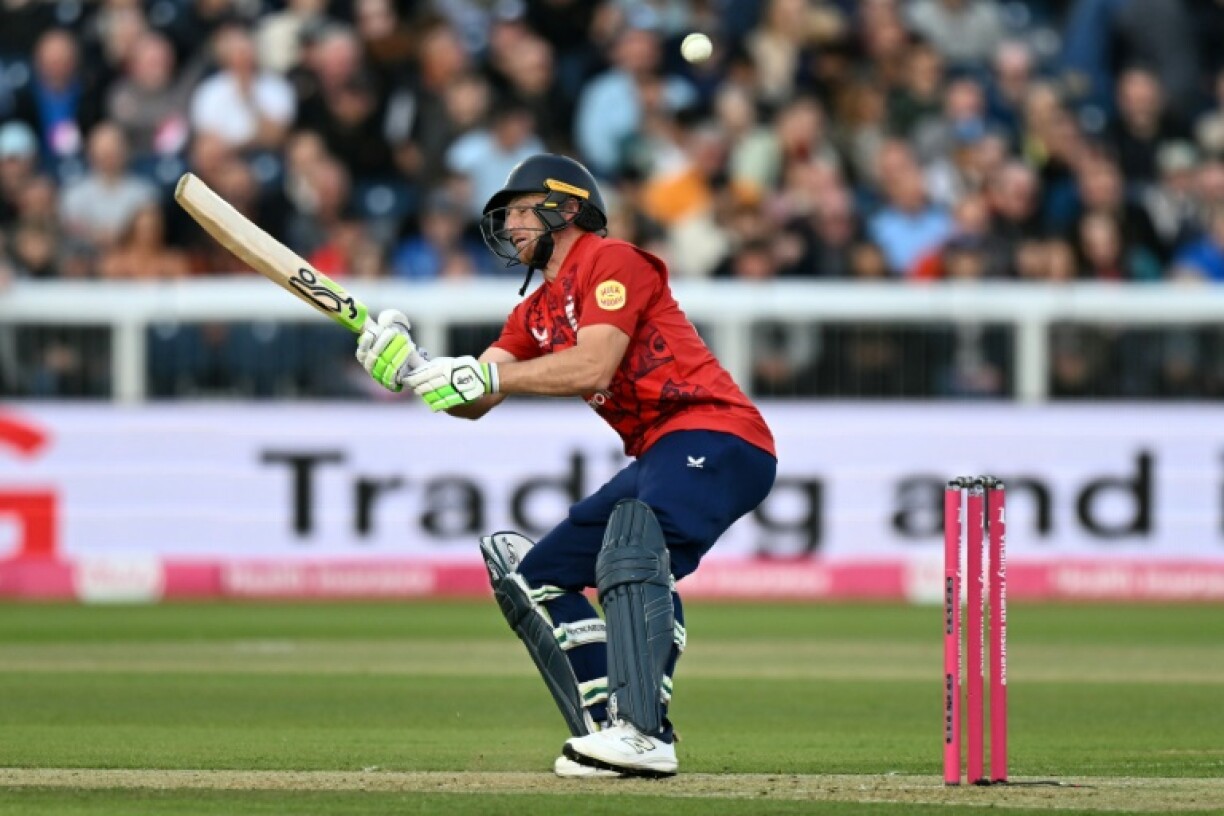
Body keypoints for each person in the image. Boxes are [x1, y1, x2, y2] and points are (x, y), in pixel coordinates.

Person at [354, 154, 777, 778]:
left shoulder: (613, 261)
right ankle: (610, 726)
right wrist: (416, 371)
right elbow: (477, 400)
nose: (512, 224)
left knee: (635, 537)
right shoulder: (534, 311)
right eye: (508, 214)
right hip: (661, 448)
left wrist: (482, 372)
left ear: (567, 207)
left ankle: (643, 732)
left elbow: (592, 366)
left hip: (720, 434)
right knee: (537, 575)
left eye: (523, 209)